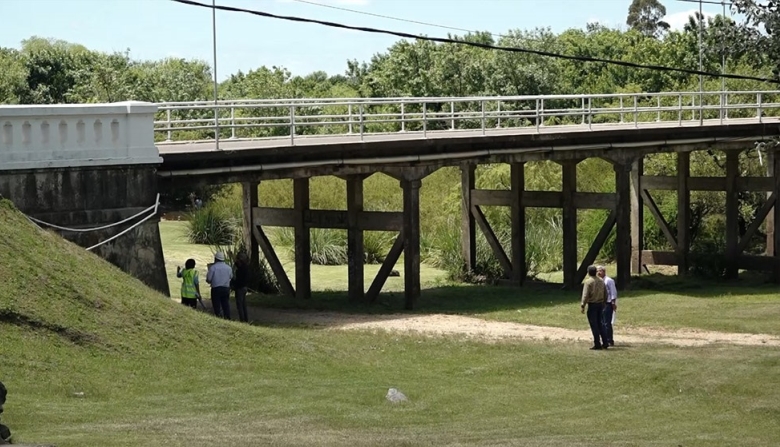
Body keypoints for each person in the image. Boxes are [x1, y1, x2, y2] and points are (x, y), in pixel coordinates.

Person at [580, 265, 609, 350]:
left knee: (594, 325)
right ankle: (605, 342)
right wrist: (604, 302)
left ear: (588, 272)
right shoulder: (601, 281)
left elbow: (585, 295)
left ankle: (597, 344)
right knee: (601, 324)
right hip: (600, 304)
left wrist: (583, 305)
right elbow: (605, 293)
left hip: (592, 305)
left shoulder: (588, 282)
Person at [206, 252, 233, 319]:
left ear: (216, 259)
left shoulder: (213, 268)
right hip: (226, 288)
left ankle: (218, 316)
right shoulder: (228, 268)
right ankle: (227, 317)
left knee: (216, 304)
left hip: (216, 288)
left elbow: (209, 279)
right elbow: (231, 277)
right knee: (225, 304)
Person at [597, 265, 617, 347]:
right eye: (597, 271)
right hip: (600, 303)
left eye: (600, 271)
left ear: (604, 271)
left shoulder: (609, 281)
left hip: (608, 303)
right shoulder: (598, 281)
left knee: (607, 323)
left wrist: (613, 302)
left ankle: (609, 340)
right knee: (601, 322)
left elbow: (613, 292)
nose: (598, 272)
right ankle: (604, 339)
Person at [232, 252, 250, 323]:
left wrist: (234, 284)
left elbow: (239, 280)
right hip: (244, 287)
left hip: (240, 288)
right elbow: (237, 263)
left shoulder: (241, 270)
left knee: (240, 305)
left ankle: (242, 319)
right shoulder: (245, 267)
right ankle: (245, 319)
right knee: (243, 304)